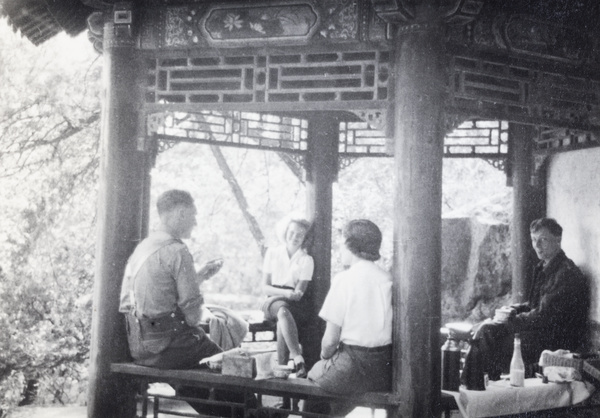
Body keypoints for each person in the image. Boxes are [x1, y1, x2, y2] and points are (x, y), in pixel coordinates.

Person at [119, 189, 247, 416]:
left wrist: (199, 277)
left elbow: (154, 295)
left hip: (140, 347)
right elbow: (193, 316)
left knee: (198, 378)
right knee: (227, 364)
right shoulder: (178, 251)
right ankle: (257, 415)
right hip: (168, 348)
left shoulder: (143, 248)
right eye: (193, 215)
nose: (195, 222)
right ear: (179, 213)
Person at [462, 217, 590, 385]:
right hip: (542, 331)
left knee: (490, 335)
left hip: (555, 340)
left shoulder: (565, 273)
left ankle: (474, 385)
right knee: (487, 329)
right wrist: (511, 310)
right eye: (534, 240)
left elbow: (544, 315)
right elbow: (533, 305)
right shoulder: (544, 266)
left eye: (543, 240)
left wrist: (509, 323)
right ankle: (477, 383)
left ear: (558, 240)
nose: (537, 246)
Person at [305, 219, 393, 416]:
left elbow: (329, 341)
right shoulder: (387, 278)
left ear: (351, 245)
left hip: (354, 366)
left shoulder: (344, 279)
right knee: (338, 389)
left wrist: (325, 360)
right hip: (384, 369)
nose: (339, 248)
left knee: (314, 377)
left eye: (341, 242)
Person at [261, 216, 314, 378]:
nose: (295, 237)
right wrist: (284, 293)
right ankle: (298, 359)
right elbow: (264, 287)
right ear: (285, 233)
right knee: (282, 312)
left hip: (293, 305)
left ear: (305, 238)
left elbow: (299, 294)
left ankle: (282, 375)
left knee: (282, 321)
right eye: (291, 232)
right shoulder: (273, 253)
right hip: (272, 302)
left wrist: (292, 294)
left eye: (300, 234)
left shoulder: (306, 260)